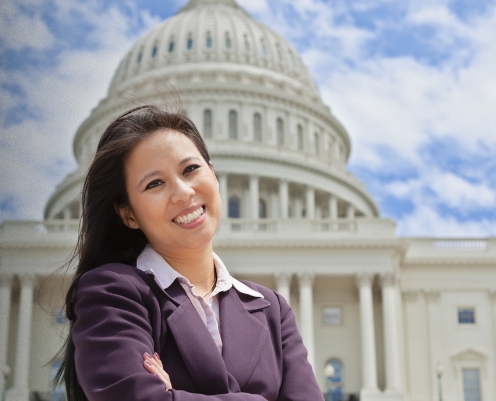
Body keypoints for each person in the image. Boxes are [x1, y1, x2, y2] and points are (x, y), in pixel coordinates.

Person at [53, 105, 322, 400]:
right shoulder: (111, 293)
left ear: (214, 175)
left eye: (190, 169)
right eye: (155, 183)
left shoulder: (272, 310)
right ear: (128, 213)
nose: (183, 192)